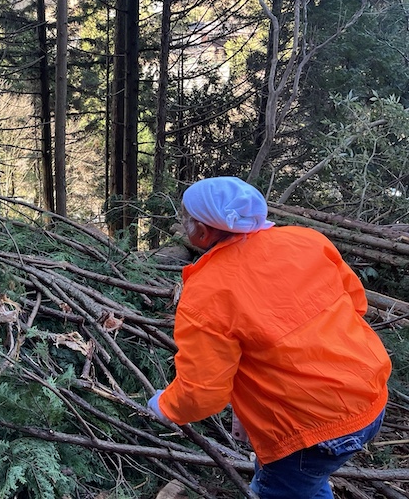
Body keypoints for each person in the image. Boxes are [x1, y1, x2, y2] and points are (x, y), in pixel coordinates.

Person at [147, 176, 392, 499]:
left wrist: (165, 407)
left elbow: (203, 392)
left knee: (278, 490)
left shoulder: (206, 293)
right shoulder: (306, 241)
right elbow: (354, 306)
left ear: (202, 232)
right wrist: (247, 410)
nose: (183, 225)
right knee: (306, 485)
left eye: (185, 219)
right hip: (371, 397)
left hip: (312, 433)